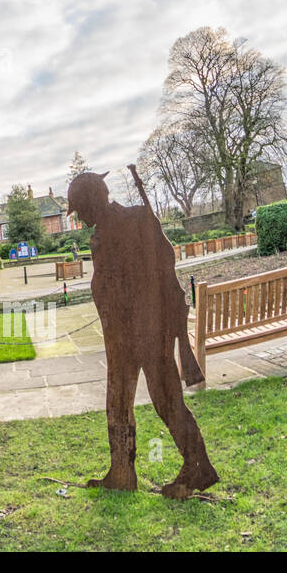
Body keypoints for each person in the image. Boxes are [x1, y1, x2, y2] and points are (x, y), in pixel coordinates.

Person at [66, 169, 218, 499]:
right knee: (120, 402)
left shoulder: (129, 223)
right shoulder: (116, 226)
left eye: (80, 210)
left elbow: (160, 265)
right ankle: (122, 472)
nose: (81, 218)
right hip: (128, 333)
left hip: (142, 330)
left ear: (92, 203)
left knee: (163, 398)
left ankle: (198, 465)